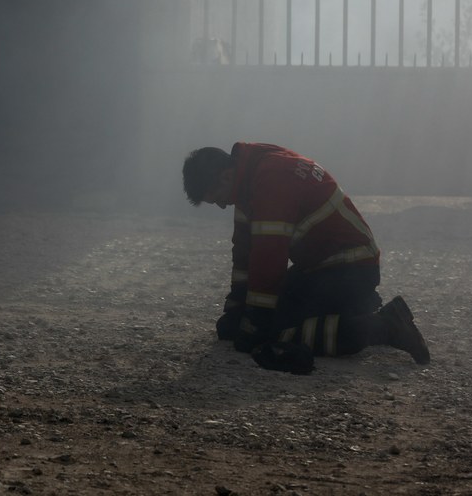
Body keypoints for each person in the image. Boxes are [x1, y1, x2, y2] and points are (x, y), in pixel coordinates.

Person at [182, 143, 430, 374]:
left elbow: (269, 258)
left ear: (226, 177)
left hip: (349, 269)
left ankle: (384, 328)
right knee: (238, 329)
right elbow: (244, 254)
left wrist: (256, 321)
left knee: (275, 332)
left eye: (217, 199)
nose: (222, 207)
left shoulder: (271, 180)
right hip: (328, 268)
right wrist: (237, 309)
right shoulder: (253, 178)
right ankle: (358, 306)